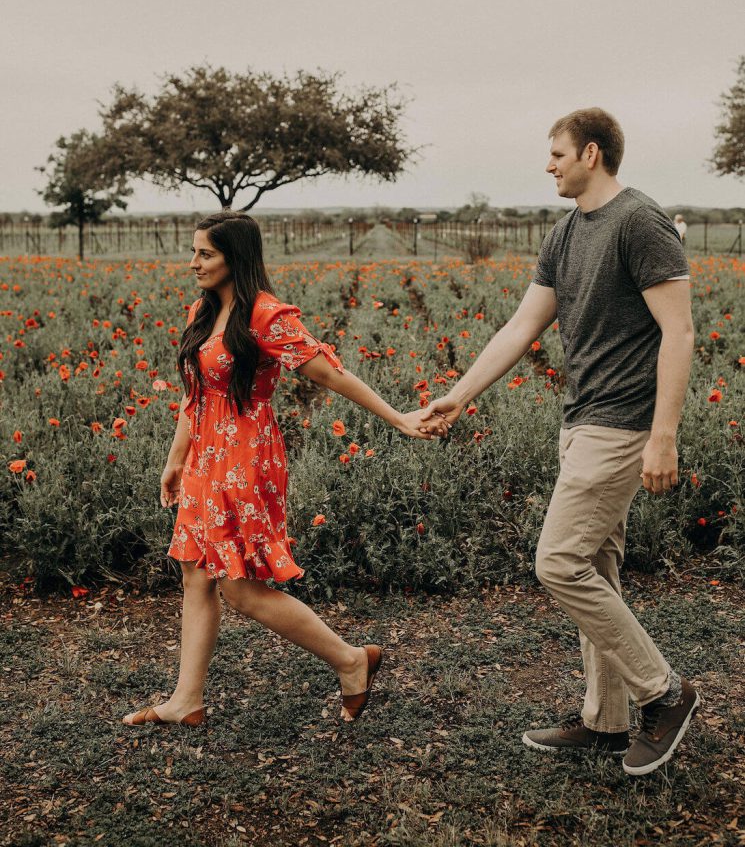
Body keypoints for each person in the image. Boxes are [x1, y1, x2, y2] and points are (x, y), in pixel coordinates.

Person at [421, 108, 699, 776]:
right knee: (594, 569)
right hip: (578, 422)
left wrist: (661, 436)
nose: (547, 165)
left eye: (556, 154)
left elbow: (679, 333)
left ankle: (663, 693)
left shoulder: (639, 221)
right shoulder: (566, 230)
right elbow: (523, 326)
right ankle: (605, 722)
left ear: (592, 154)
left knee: (559, 562)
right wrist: (459, 395)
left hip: (622, 426)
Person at [123, 210, 446, 729]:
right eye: (194, 251)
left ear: (236, 257)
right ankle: (187, 700)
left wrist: (399, 419)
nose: (193, 263)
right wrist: (175, 460)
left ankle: (350, 659)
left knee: (238, 586)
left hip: (245, 457)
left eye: (205, 253)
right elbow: (194, 397)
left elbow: (333, 374)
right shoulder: (202, 313)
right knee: (195, 572)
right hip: (206, 454)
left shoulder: (266, 317)